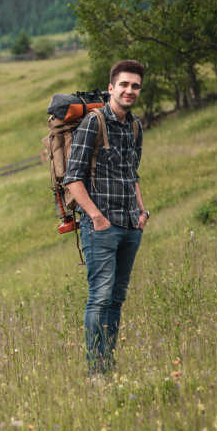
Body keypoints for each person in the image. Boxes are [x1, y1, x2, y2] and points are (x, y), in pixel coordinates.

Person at [62, 59, 148, 375]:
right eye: (124, 84)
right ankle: (96, 372)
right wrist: (96, 217)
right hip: (101, 227)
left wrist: (141, 212)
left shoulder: (135, 126)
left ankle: (107, 366)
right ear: (111, 87)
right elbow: (72, 178)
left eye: (135, 86)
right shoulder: (93, 124)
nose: (129, 90)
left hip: (130, 225)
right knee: (99, 299)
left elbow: (132, 173)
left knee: (116, 300)